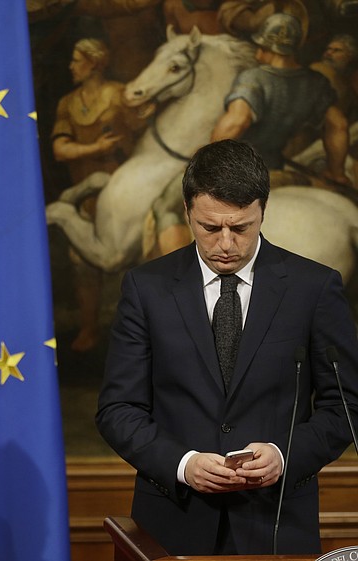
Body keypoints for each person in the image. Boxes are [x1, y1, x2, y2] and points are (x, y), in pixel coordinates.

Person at [96, 139, 358, 555]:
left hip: (275, 523)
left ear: (262, 212)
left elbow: (345, 406)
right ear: (187, 212)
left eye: (240, 228)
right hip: (172, 522)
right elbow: (118, 410)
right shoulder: (146, 289)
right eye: (209, 227)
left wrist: (283, 455)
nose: (225, 244)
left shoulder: (314, 288)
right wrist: (183, 465)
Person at [51, 37, 145, 352]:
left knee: (131, 261)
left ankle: (134, 332)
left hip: (119, 193)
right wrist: (95, 148)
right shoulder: (68, 103)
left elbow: (140, 127)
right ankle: (89, 330)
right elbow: (60, 149)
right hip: (85, 194)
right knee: (82, 262)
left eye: (77, 60)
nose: (71, 66)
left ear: (93, 63)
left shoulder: (118, 94)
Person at [211, 13, 351, 187]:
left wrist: (207, 158)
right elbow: (339, 125)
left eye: (259, 46)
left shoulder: (254, 78)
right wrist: (336, 172)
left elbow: (237, 122)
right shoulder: (316, 83)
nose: (257, 53)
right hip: (275, 170)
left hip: (241, 171)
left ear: (266, 47)